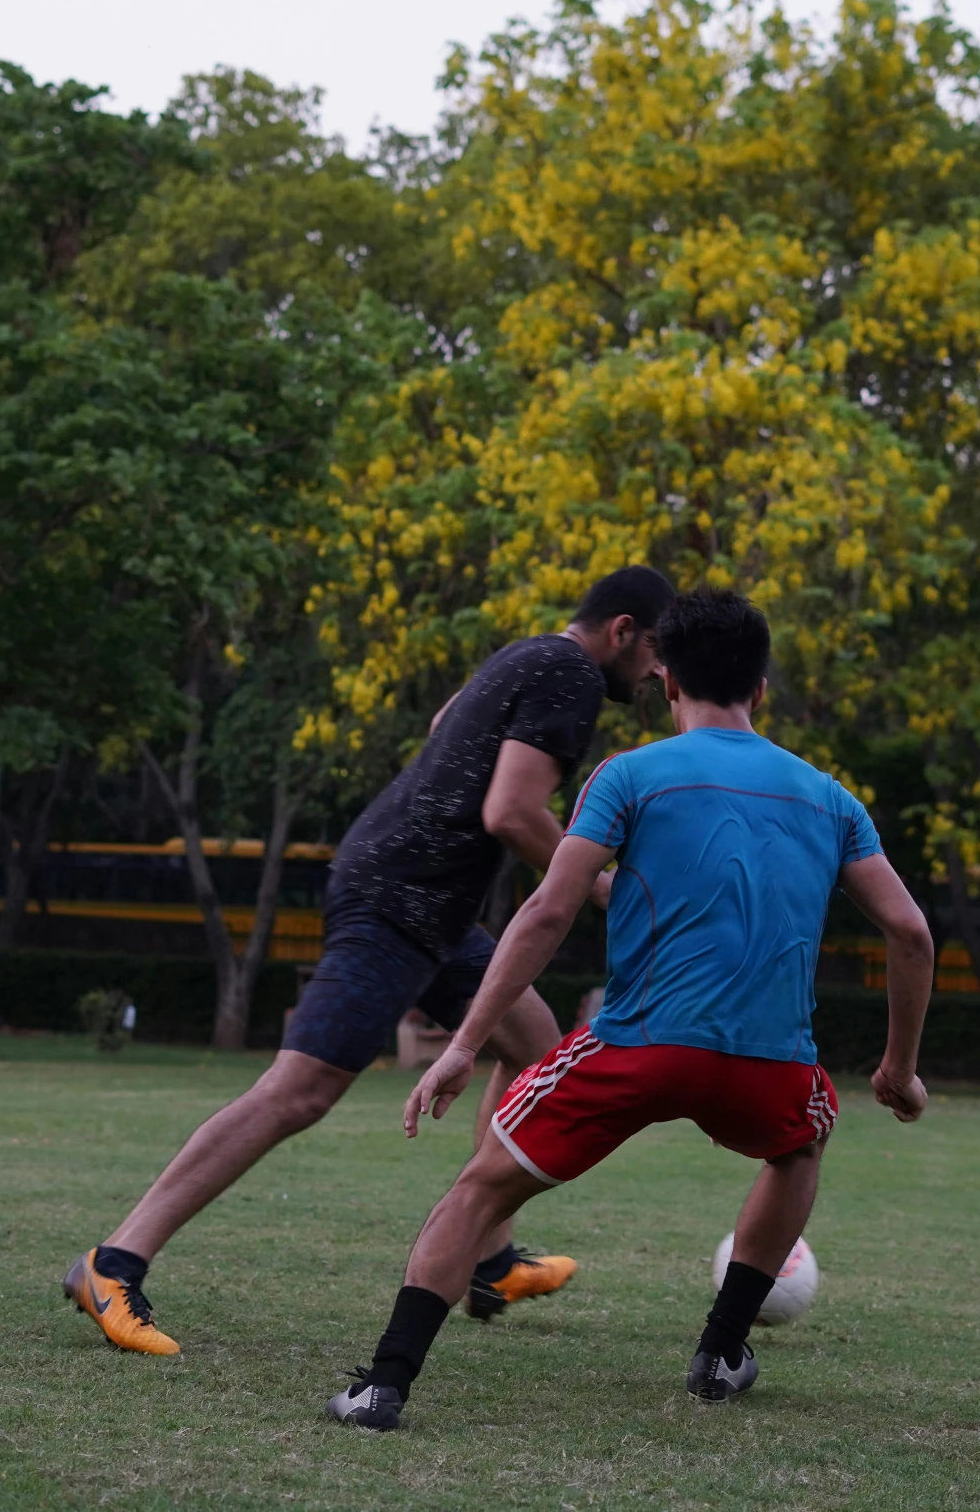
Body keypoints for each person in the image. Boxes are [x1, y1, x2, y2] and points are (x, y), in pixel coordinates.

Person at [323, 587, 935, 1429]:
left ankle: (384, 1385)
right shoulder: (828, 797)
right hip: (768, 1063)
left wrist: (466, 1042)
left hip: (636, 1048)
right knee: (802, 1142)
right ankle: (721, 1352)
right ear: (762, 690)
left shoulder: (632, 774)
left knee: (475, 1192)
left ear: (671, 681)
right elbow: (910, 930)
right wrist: (898, 1066)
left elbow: (546, 911)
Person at [64, 565, 677, 1354]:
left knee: (531, 1038)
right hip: (401, 896)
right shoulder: (570, 675)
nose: (660, 674)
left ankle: (489, 1260)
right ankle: (113, 1261)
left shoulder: (524, 655)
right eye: (657, 651)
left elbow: (443, 721)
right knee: (300, 1089)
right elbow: (511, 809)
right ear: (623, 629)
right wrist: (598, 883)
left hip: (431, 905)